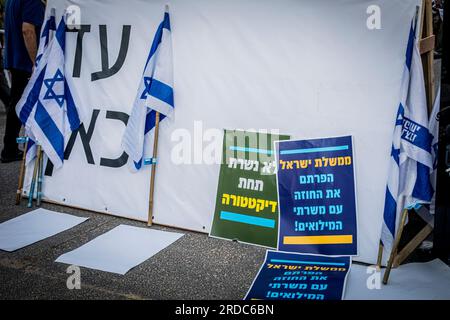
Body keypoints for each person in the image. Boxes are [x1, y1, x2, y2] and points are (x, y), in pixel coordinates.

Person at [1, 0, 44, 163]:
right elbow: (27, 30)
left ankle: (9, 147)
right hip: (25, 61)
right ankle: (9, 148)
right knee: (20, 104)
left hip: (15, 57)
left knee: (15, 103)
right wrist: (35, 62)